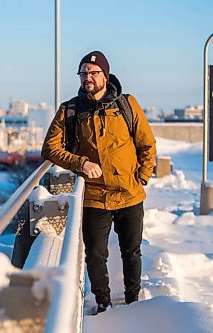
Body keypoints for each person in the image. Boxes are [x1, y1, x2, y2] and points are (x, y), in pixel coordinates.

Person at [41, 51, 156, 314]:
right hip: (94, 196)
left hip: (129, 193)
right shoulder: (70, 110)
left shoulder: (127, 105)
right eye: (84, 73)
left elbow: (146, 144)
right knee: (94, 255)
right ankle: (103, 303)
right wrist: (80, 163)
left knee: (132, 251)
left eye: (93, 73)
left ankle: (132, 300)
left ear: (105, 75)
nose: (88, 78)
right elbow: (49, 149)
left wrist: (143, 176)